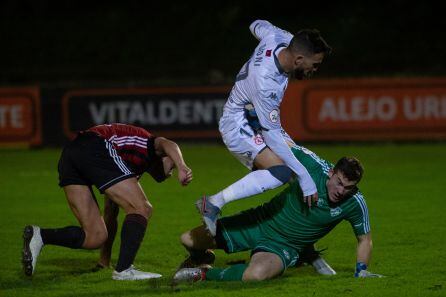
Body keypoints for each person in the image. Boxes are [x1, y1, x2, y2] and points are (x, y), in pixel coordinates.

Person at [196, 19, 332, 236]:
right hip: (239, 124)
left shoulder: (280, 38)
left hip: (257, 120)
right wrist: (304, 176)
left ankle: (303, 245)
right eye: (314, 65)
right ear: (298, 59)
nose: (314, 70)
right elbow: (272, 135)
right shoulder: (266, 81)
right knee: (283, 172)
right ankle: (213, 203)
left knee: (299, 169)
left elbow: (256, 24)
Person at [175, 145, 383, 283]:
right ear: (331, 172)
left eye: (348, 187)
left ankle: (202, 274)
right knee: (187, 239)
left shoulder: (355, 202)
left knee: (255, 275)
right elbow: (281, 142)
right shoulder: (311, 165)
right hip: (259, 221)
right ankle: (204, 257)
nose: (341, 191)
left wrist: (361, 270)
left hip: (284, 246)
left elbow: (364, 239)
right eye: (339, 182)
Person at [22, 123, 193, 280]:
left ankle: (40, 236)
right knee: (142, 208)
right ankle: (125, 270)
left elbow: (111, 211)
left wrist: (104, 260)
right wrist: (182, 165)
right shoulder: (148, 144)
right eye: (172, 167)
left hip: (71, 155)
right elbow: (168, 143)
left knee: (95, 237)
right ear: (163, 156)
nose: (171, 173)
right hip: (94, 144)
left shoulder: (127, 166)